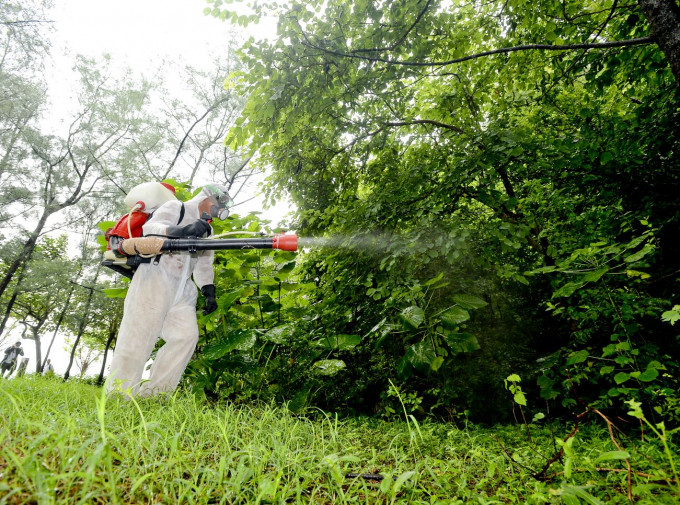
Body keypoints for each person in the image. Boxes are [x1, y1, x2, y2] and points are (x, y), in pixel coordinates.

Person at [106, 184, 233, 397]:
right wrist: (181, 232)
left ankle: (155, 395)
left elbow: (204, 262)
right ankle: (118, 394)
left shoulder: (208, 230)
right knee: (139, 336)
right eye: (219, 204)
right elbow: (151, 228)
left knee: (186, 337)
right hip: (155, 276)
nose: (219, 209)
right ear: (208, 197)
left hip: (183, 289)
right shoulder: (178, 207)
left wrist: (208, 289)